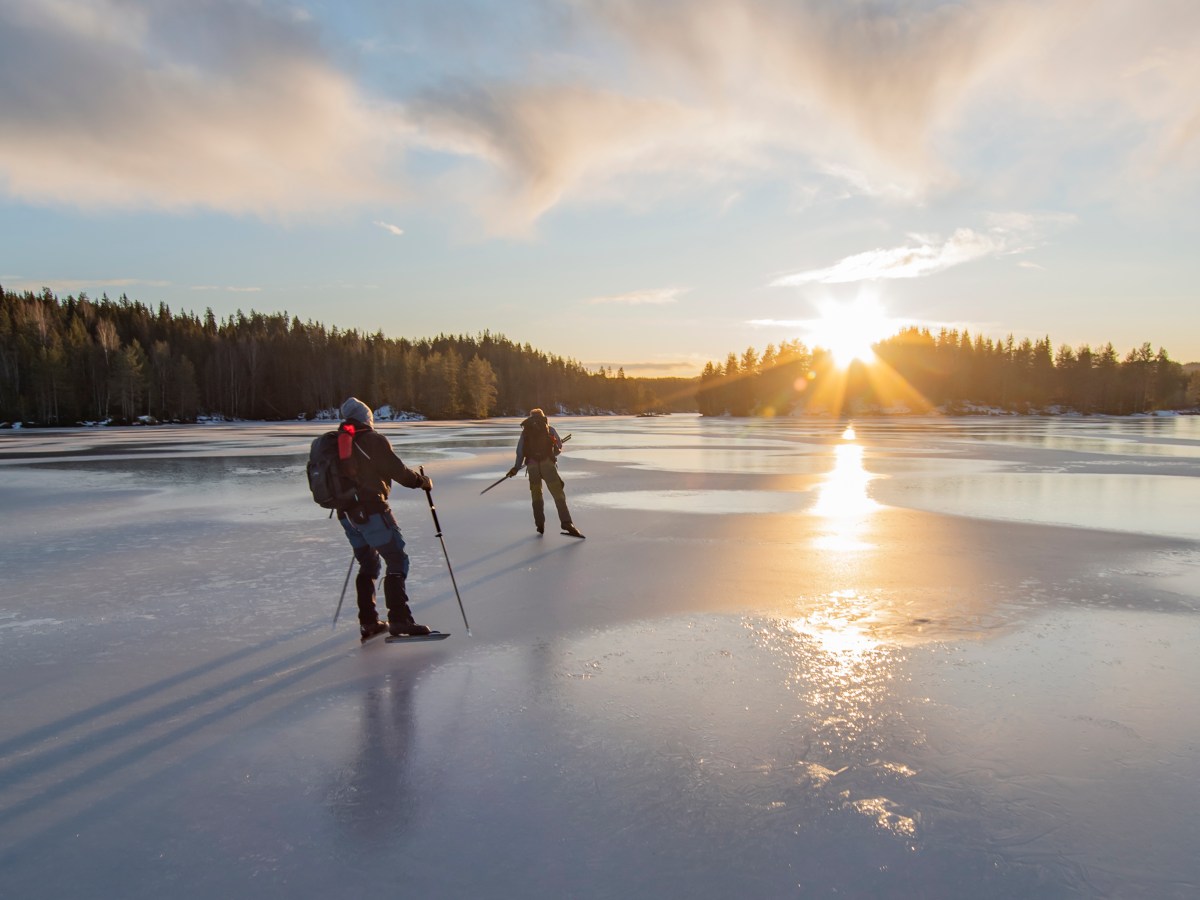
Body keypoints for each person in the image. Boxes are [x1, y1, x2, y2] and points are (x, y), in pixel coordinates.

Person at [336, 397, 434, 641]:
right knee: (396, 558)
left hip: (346, 514)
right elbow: (397, 471)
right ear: (366, 417)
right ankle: (400, 620)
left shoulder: (336, 441)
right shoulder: (372, 440)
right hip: (371, 510)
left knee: (368, 564)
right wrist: (421, 481)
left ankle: (369, 622)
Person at [507, 408, 584, 538]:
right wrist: (551, 454)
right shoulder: (549, 429)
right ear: (543, 417)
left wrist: (516, 468)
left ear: (530, 417)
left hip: (532, 466)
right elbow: (558, 449)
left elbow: (520, 452)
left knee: (536, 494)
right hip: (547, 464)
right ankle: (567, 523)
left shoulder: (526, 431)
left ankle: (540, 524)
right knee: (558, 494)